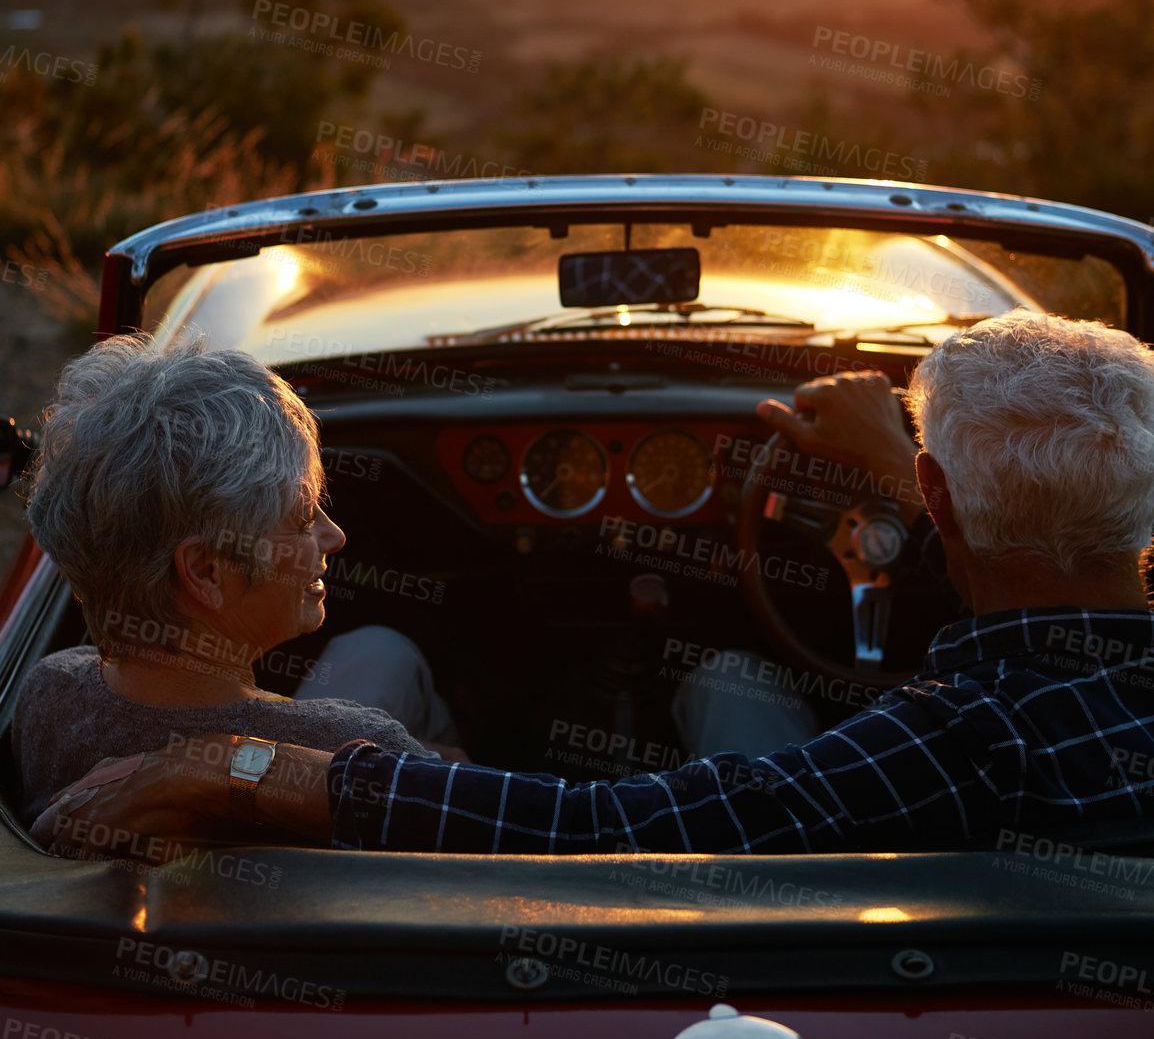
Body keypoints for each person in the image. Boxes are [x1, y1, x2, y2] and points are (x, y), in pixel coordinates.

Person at [34, 312, 1154, 857]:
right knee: (730, 678)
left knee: (713, 674)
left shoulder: (939, 751)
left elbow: (604, 823)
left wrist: (248, 762)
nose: (326, 533)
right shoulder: (959, 738)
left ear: (938, 500)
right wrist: (905, 492)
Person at [13, 334, 460, 830]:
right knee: (387, 654)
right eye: (302, 517)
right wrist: (433, 767)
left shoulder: (48, 693)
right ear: (207, 571)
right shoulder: (355, 750)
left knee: (381, 651)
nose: (334, 536)